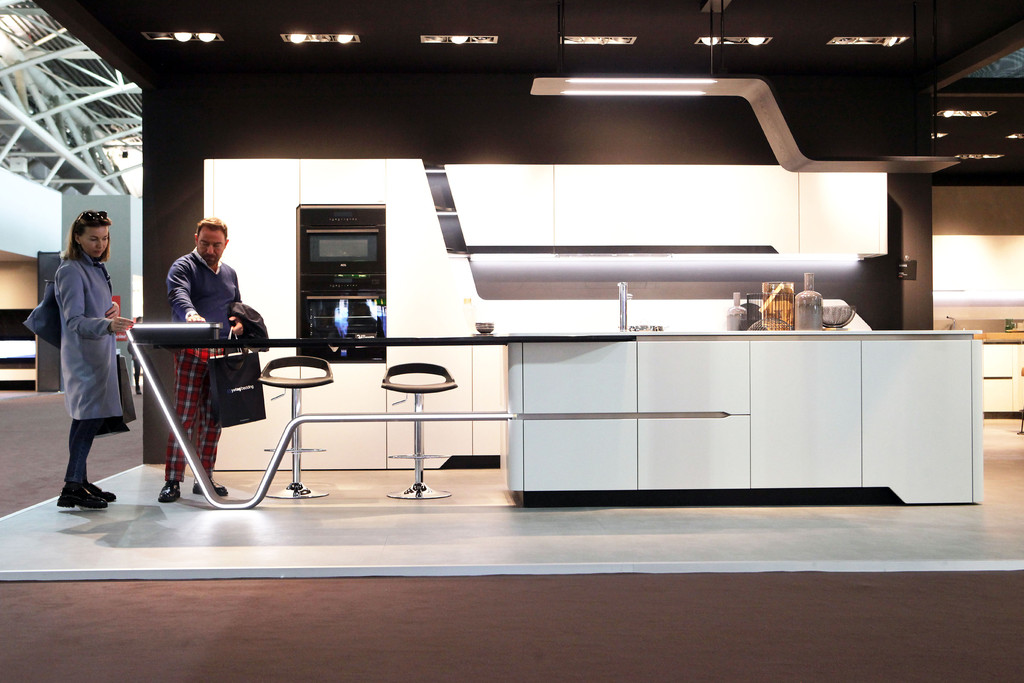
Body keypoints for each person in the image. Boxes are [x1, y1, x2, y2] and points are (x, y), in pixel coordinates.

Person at [54, 210, 135, 510]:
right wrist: (107, 325)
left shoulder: (96, 267)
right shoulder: (71, 270)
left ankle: (79, 481)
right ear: (77, 237)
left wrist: (109, 310)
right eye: (93, 238)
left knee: (85, 420)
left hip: (98, 355)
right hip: (84, 359)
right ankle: (72, 486)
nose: (100, 244)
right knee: (87, 419)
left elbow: (91, 310)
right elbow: (74, 320)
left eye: (104, 238)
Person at [159, 217, 243, 503]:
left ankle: (204, 478)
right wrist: (190, 313)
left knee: (213, 418)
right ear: (196, 239)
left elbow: (235, 305)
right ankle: (172, 480)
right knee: (183, 417)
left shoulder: (229, 273)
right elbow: (178, 294)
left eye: (216, 245)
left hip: (221, 354)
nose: (210, 250)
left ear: (225, 244)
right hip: (191, 351)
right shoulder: (183, 266)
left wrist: (238, 321)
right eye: (205, 243)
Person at [127, 315, 144, 393]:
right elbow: (130, 345)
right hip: (136, 355)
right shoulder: (133, 332)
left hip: (144, 354)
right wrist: (134, 355)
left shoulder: (144, 332)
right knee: (137, 371)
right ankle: (137, 387)